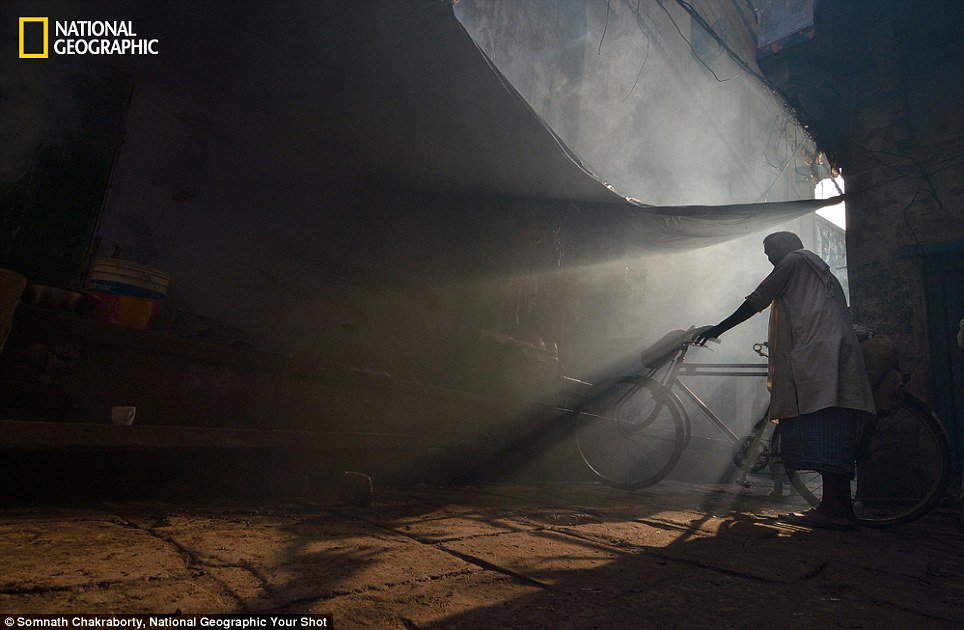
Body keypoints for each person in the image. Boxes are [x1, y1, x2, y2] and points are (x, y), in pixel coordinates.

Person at [694, 231, 876, 531]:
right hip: (831, 355)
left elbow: (757, 300)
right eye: (766, 252)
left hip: (819, 357)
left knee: (826, 433)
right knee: (834, 434)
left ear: (790, 245)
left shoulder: (794, 261)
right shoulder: (817, 269)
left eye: (772, 248)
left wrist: (718, 328)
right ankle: (833, 507)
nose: (769, 256)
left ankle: (836, 511)